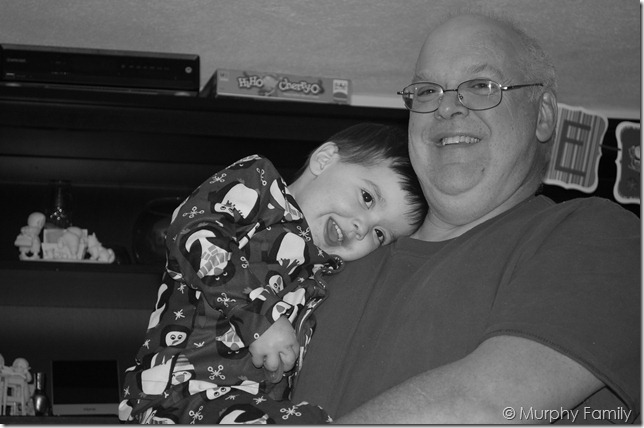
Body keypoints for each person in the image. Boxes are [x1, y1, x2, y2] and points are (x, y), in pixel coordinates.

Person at [292, 12, 641, 424]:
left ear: (543, 114)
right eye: (427, 91)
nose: (447, 107)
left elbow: (485, 406)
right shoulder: (330, 257)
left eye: (480, 86)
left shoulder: (597, 235)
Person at [118, 122, 428, 424]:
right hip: (176, 393)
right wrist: (261, 317)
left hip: (244, 403)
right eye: (367, 198)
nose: (362, 227)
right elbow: (194, 232)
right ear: (324, 160)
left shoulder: (326, 271)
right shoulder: (258, 184)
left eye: (379, 234)